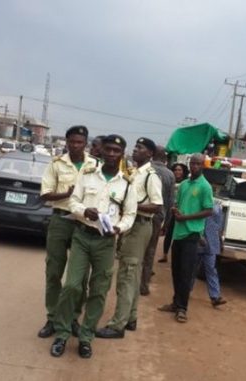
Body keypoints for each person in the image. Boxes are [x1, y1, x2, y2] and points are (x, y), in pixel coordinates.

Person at [50, 134, 137, 359]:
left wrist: (118, 228)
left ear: (121, 155)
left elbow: (130, 215)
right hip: (82, 235)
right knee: (72, 286)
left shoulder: (127, 185)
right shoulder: (87, 176)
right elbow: (73, 201)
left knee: (99, 291)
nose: (111, 154)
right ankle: (62, 333)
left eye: (116, 151)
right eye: (108, 149)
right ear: (102, 151)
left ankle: (86, 337)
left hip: (106, 242)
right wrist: (83, 211)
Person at [96, 137, 163, 339]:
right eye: (135, 147)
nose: (135, 150)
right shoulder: (134, 173)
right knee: (131, 275)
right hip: (131, 226)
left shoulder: (151, 176)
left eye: (140, 148)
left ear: (150, 154)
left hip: (140, 226)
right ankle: (131, 317)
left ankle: (117, 325)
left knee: (127, 275)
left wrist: (130, 205)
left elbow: (157, 205)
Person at [37, 126, 98, 339]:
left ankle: (72, 317)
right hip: (60, 220)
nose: (75, 145)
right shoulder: (56, 164)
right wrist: (65, 194)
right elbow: (44, 195)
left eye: (80, 142)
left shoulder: (94, 165)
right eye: (72, 142)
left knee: (79, 277)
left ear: (86, 143)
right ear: (66, 142)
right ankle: (52, 317)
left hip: (83, 223)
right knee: (54, 271)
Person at [158, 154, 214, 323]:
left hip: (192, 234)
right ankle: (175, 303)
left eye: (198, 163)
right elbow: (178, 204)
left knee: (186, 273)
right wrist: (175, 211)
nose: (194, 166)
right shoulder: (183, 184)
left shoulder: (205, 186)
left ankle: (183, 308)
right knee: (176, 271)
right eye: (192, 163)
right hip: (178, 233)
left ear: (202, 166)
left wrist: (186, 217)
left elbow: (208, 210)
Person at [140, 145, 175, 296]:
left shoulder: (145, 170)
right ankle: (144, 284)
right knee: (150, 250)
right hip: (158, 216)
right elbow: (169, 201)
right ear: (165, 158)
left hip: (141, 213)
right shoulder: (170, 174)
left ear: (152, 155)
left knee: (137, 248)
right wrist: (166, 223)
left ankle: (133, 280)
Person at [193, 199, 227, 307]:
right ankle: (185, 290)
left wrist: (220, 240)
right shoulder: (198, 204)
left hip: (211, 243)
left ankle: (215, 297)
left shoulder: (217, 206)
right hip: (198, 241)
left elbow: (220, 225)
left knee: (211, 269)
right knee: (192, 268)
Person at [159, 163, 189, 263]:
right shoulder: (170, 181)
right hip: (170, 210)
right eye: (175, 170)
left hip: (181, 212)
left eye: (180, 170)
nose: (177, 172)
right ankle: (165, 255)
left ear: (183, 171)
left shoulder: (186, 183)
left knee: (179, 234)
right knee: (169, 232)